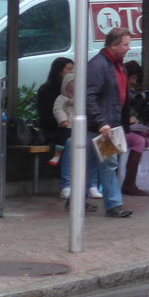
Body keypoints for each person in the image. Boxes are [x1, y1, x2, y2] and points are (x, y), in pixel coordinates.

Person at [85, 26, 134, 217]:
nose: (129, 48)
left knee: (89, 165)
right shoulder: (99, 65)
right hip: (103, 126)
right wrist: (101, 122)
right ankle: (114, 204)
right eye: (125, 44)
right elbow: (90, 96)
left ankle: (76, 201)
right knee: (108, 163)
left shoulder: (117, 64)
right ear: (113, 46)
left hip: (107, 124)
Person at [51, 72, 102, 208]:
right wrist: (63, 120)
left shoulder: (83, 99)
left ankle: (92, 185)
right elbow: (57, 110)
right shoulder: (62, 99)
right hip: (67, 133)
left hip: (83, 132)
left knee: (93, 154)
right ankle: (67, 184)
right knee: (68, 149)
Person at [120, 61, 149, 196]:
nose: (133, 82)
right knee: (139, 142)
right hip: (121, 130)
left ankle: (145, 179)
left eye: (135, 79)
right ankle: (129, 182)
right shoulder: (120, 93)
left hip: (134, 129)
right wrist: (127, 120)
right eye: (132, 78)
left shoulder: (136, 95)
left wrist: (147, 127)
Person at [36, 57, 73, 167]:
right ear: (59, 71)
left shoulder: (75, 90)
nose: (72, 72)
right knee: (68, 141)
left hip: (70, 128)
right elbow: (46, 116)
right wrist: (62, 120)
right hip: (54, 130)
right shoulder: (47, 90)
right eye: (69, 69)